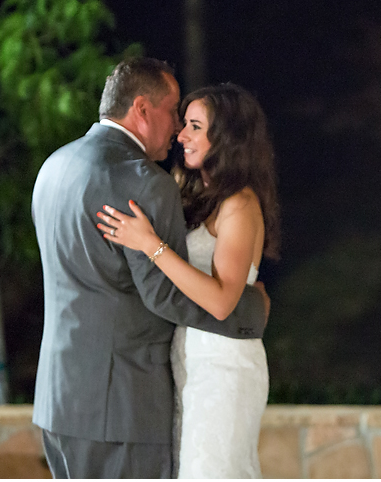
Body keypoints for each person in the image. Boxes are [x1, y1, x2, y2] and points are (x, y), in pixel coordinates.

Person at [32, 59, 269, 479]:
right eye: (175, 112)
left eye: (192, 123)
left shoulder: (55, 166)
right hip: (121, 402)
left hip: (59, 397)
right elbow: (162, 295)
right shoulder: (144, 181)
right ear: (142, 110)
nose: (177, 128)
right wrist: (249, 309)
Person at [96, 82, 280, 478]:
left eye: (195, 126)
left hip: (224, 368)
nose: (181, 135)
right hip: (190, 361)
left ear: (227, 138)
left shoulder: (240, 205)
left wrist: (150, 245)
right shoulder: (193, 192)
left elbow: (220, 301)